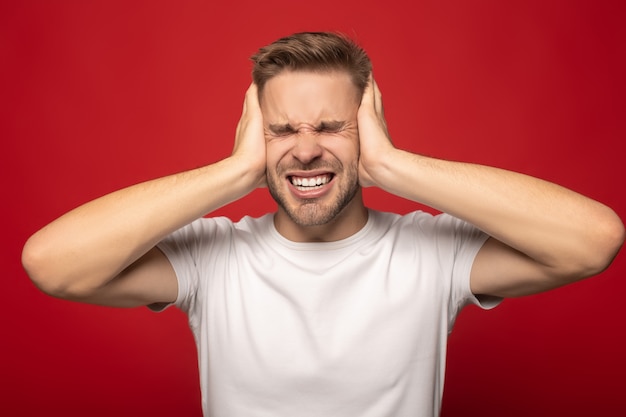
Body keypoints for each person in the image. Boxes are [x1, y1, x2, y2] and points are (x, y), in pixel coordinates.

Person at [22, 32, 624, 417]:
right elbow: (50, 263)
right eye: (283, 130)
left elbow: (594, 241)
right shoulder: (212, 257)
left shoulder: (431, 253)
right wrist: (235, 174)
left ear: (369, 127)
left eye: (331, 127)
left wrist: (391, 165)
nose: (305, 151)